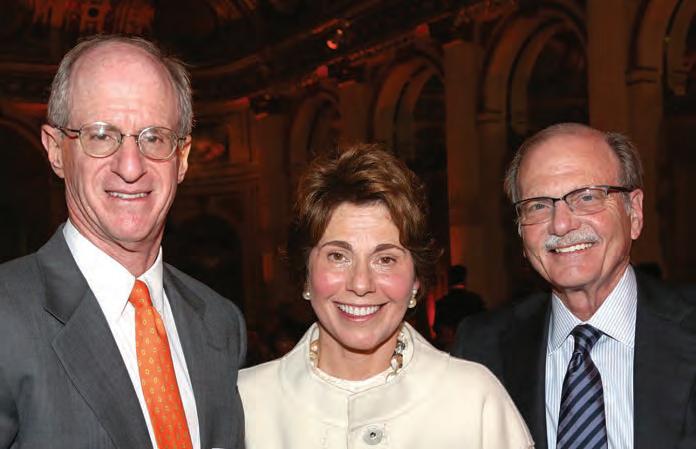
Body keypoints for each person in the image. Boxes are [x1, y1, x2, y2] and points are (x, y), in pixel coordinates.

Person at [0, 35, 246, 448]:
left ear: (182, 157)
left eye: (154, 138)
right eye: (101, 135)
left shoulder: (220, 323)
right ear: (56, 150)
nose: (130, 167)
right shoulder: (6, 318)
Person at [238, 144, 534, 448]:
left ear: (416, 281)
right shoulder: (245, 404)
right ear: (306, 275)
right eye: (338, 256)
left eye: (385, 259)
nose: (361, 283)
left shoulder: (474, 401)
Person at [452, 123, 696, 449]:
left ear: (634, 213)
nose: (561, 224)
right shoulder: (481, 349)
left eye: (587, 197)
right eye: (538, 205)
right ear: (521, 231)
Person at [433, 264, 485, 351]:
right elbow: (484, 324)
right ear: (465, 279)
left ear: (449, 280)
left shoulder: (442, 302)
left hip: (452, 349)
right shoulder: (475, 300)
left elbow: (437, 327)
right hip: (473, 346)